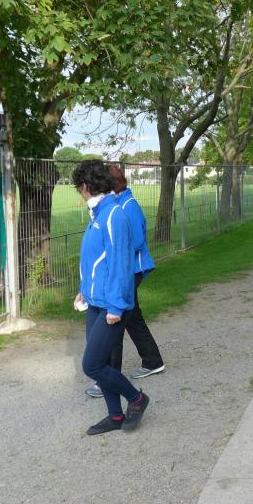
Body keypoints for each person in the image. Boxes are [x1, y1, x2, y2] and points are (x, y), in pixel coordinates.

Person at [71, 160, 150, 435]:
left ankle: (136, 399)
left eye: (78, 187)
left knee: (91, 365)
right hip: (95, 301)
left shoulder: (113, 215)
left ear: (85, 186)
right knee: (102, 362)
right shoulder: (97, 214)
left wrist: (116, 307)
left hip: (111, 305)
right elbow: (94, 259)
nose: (79, 192)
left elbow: (120, 265)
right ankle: (115, 416)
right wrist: (84, 289)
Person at [85, 165, 165, 398]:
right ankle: (152, 360)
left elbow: (135, 241)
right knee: (132, 317)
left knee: (114, 318)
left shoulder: (127, 206)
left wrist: (114, 251)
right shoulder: (116, 204)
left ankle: (107, 377)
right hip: (127, 270)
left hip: (131, 270)